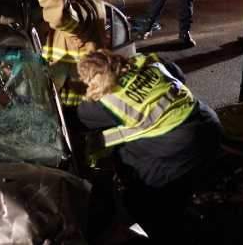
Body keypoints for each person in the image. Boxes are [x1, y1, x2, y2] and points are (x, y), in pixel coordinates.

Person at [74, 50, 222, 242]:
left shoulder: (104, 102)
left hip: (181, 149)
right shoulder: (149, 61)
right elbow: (179, 77)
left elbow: (77, 119)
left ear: (92, 80)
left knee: (144, 197)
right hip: (209, 124)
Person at [36, 0, 110, 109]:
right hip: (63, 94)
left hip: (72, 102)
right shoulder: (85, 2)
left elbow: (60, 16)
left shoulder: (87, 11)